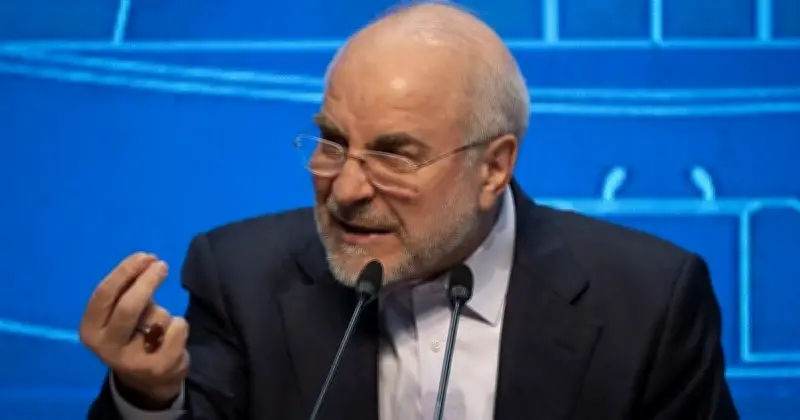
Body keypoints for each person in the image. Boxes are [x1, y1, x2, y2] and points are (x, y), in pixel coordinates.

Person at [79, 2, 739, 419]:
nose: (345, 190)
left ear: (493, 167)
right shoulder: (241, 276)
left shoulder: (647, 302)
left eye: (394, 156)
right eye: (332, 143)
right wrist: (147, 396)